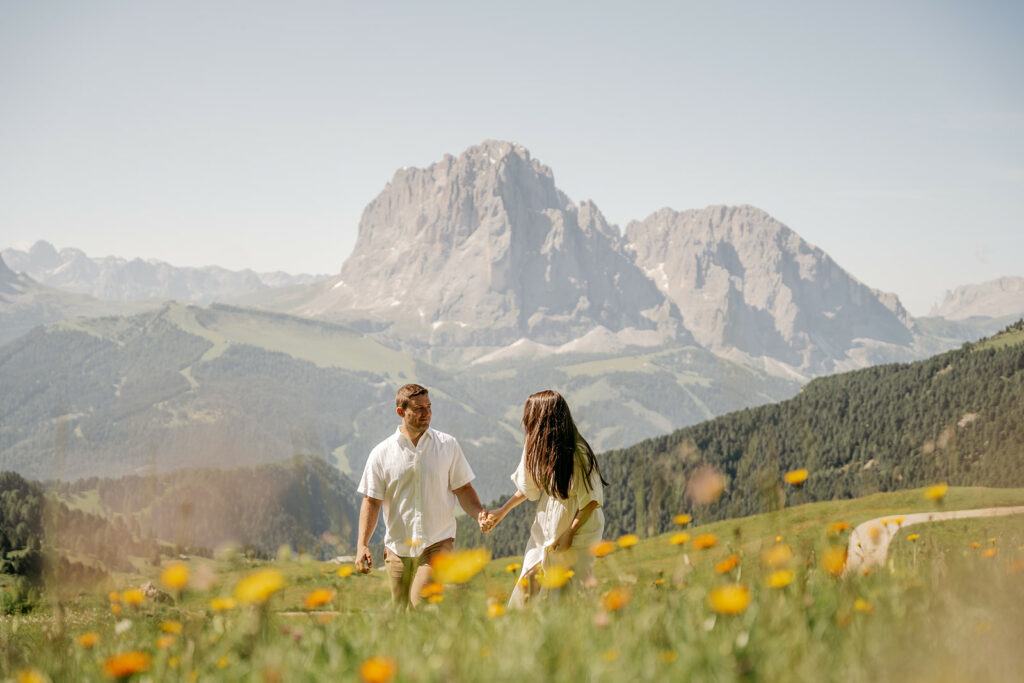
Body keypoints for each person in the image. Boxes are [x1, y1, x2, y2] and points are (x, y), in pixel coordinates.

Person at [356, 383, 489, 608]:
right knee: (401, 617)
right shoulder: (381, 453)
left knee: (420, 607)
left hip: (437, 542)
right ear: (401, 412)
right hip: (398, 548)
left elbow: (463, 488)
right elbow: (372, 501)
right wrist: (362, 545)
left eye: (428, 407)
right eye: (418, 409)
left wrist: (479, 514)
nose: (426, 414)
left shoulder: (447, 445)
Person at [481, 390, 607, 607]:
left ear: (543, 419)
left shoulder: (578, 453)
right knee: (526, 589)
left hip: (579, 530)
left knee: (567, 595)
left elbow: (592, 501)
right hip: (547, 526)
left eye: (530, 416)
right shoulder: (536, 445)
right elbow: (527, 487)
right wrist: (502, 511)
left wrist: (569, 534)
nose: (526, 421)